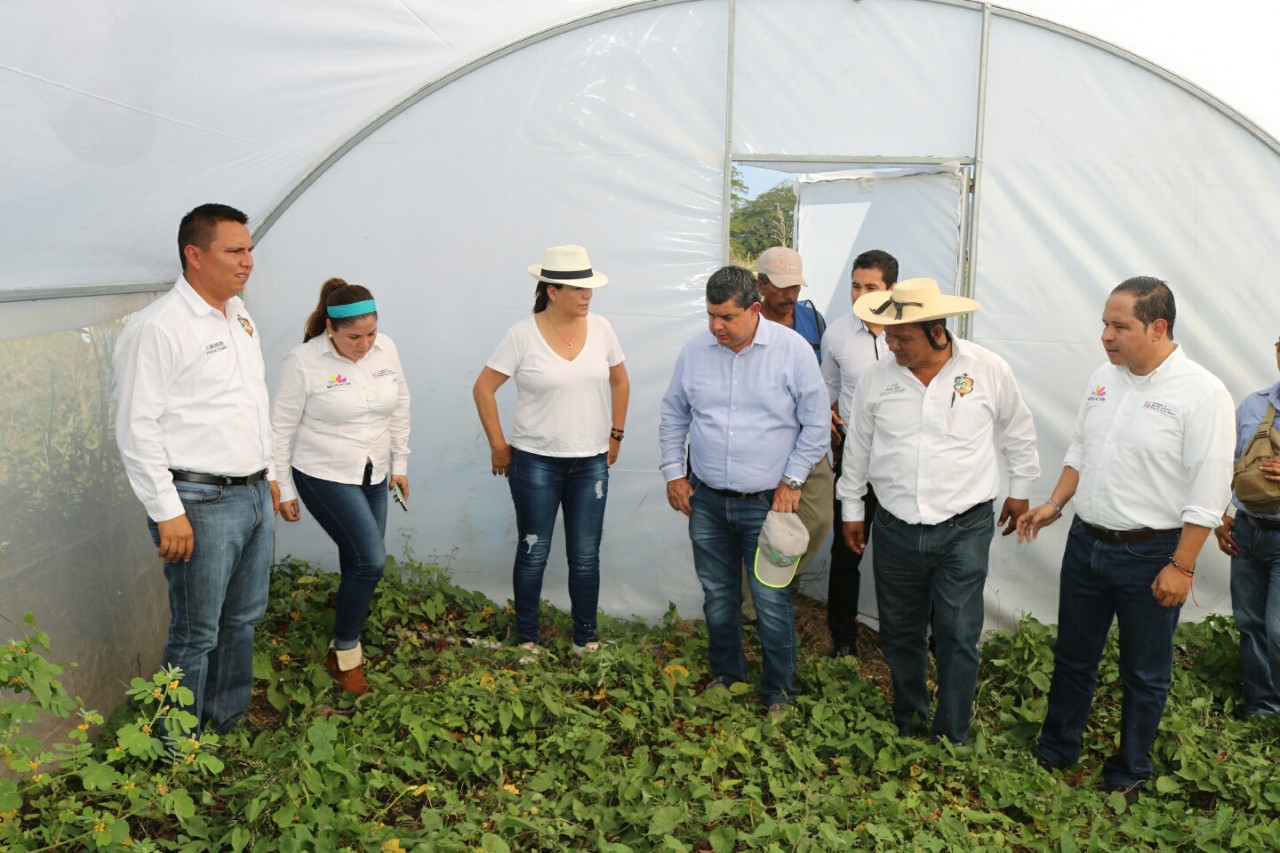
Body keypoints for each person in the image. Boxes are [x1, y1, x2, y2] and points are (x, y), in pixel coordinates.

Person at [1018, 277, 1233, 796]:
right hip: (1086, 543)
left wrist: (1181, 566)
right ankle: (1056, 749)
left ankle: (1129, 770)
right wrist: (1054, 503)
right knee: (1073, 655)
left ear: (1158, 328)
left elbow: (1208, 492)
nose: (1106, 336)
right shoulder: (1104, 378)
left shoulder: (1202, 394)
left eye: (1120, 326)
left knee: (1144, 671)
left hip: (1152, 554)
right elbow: (1079, 450)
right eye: (1105, 324)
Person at [839, 278, 1039, 743]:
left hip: (964, 528)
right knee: (900, 631)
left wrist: (1020, 489)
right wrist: (852, 508)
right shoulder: (878, 378)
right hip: (896, 527)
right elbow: (859, 448)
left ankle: (953, 733)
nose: (891, 345)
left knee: (956, 632)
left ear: (937, 332)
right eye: (889, 335)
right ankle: (909, 717)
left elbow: (1018, 429)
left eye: (902, 337)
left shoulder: (987, 369)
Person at [114, 203, 277, 738]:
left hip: (251, 494)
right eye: (235, 250)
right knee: (196, 632)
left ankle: (224, 725)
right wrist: (167, 512)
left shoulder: (240, 315)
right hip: (199, 502)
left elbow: (253, 403)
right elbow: (137, 428)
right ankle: (171, 745)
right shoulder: (159, 327)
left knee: (243, 621)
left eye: (249, 249)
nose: (248, 261)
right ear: (194, 254)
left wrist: (270, 475)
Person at [659, 265, 829, 717]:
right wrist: (674, 474)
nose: (716, 326)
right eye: (711, 315)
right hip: (708, 499)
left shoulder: (792, 351)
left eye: (727, 317)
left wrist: (793, 480)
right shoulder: (695, 352)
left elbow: (816, 425)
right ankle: (728, 675)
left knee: (771, 598)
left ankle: (779, 693)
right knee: (718, 594)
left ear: (755, 309)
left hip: (767, 504)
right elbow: (674, 413)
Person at [472, 245, 629, 658]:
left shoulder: (602, 329)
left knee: (585, 555)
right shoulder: (521, 335)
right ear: (552, 290)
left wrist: (616, 434)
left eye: (589, 288)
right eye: (578, 289)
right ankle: (527, 639)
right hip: (536, 462)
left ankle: (586, 639)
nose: (587, 295)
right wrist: (498, 445)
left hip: (590, 461)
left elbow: (620, 381)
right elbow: (483, 388)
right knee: (533, 550)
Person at [272, 279, 411, 695]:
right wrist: (284, 487)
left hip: (375, 470)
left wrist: (400, 463)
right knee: (370, 560)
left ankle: (347, 637)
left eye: (370, 333)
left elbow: (400, 403)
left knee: (358, 562)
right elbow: (280, 429)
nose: (365, 344)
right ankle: (346, 652)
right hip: (322, 474)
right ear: (330, 328)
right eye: (354, 337)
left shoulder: (386, 348)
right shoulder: (302, 362)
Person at [820, 249, 898, 656]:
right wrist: (830, 422)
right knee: (846, 547)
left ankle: (914, 639)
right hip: (854, 452)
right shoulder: (835, 334)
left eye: (871, 287)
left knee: (904, 550)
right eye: (855, 285)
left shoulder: (909, 332)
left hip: (902, 454)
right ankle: (843, 639)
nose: (861, 293)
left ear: (892, 290)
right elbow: (827, 391)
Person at [1215, 334, 1280, 719]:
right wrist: (1223, 514)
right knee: (1250, 622)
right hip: (1247, 530)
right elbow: (1230, 463)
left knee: (1277, 628)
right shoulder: (1252, 405)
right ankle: (1264, 707)